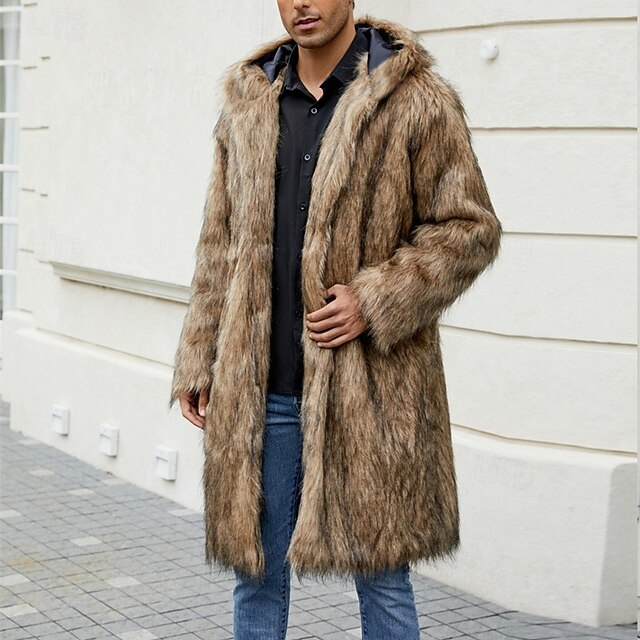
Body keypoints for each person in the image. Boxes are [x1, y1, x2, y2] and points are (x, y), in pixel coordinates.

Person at [168, 1, 502, 638]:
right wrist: (200, 356)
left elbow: (469, 229)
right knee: (255, 575)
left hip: (369, 393)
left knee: (383, 579)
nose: (302, 3)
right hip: (260, 392)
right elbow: (220, 244)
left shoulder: (416, 99)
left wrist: (375, 299)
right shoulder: (248, 101)